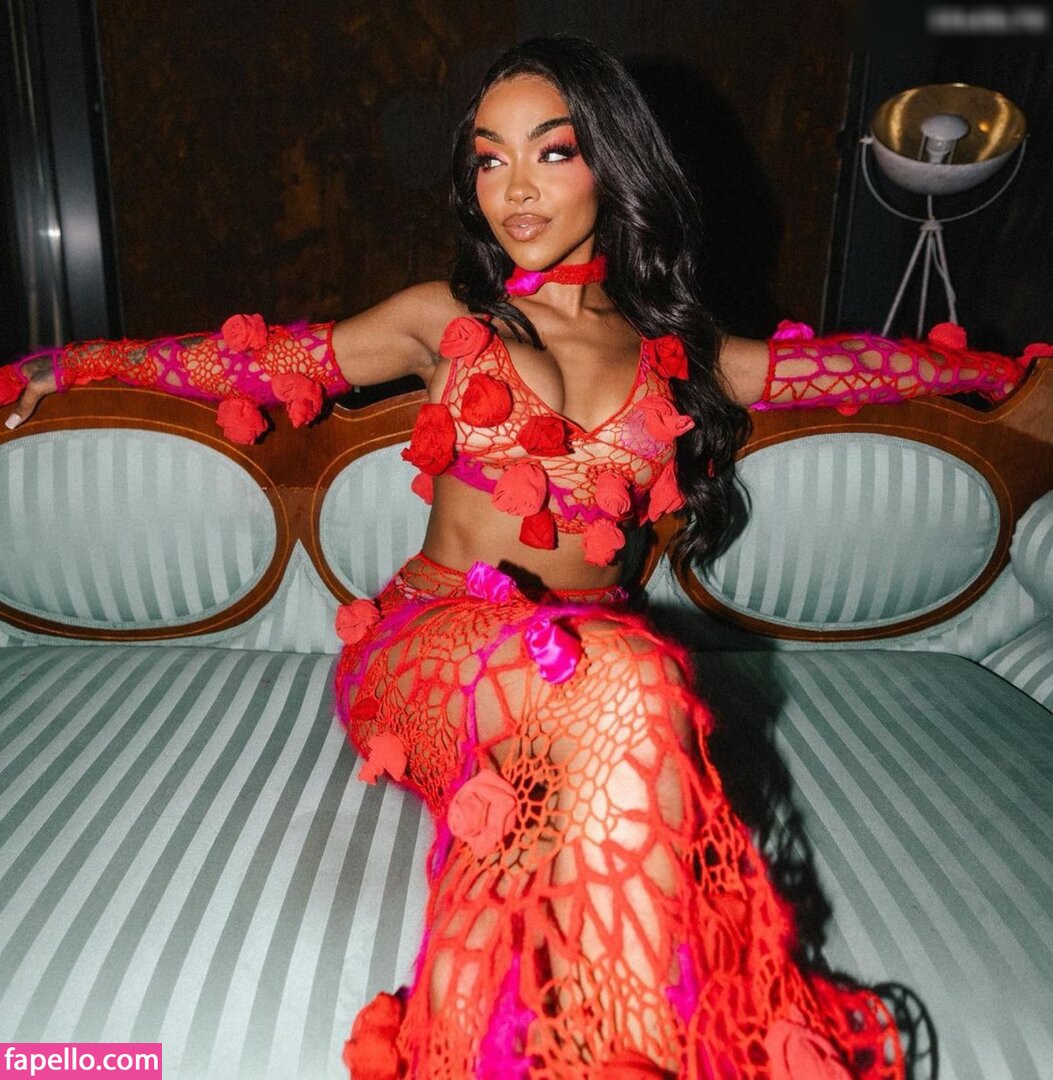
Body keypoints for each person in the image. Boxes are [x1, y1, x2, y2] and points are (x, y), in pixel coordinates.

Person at [2, 34, 1038, 1080]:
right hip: (432, 643)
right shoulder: (444, 321)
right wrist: (73, 362)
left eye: (551, 151)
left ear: (613, 162)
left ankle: (606, 1052)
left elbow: (847, 369)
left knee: (620, 709)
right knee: (635, 680)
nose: (515, 189)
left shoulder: (679, 354)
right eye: (489, 160)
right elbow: (259, 361)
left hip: (591, 660)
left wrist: (1000, 377)